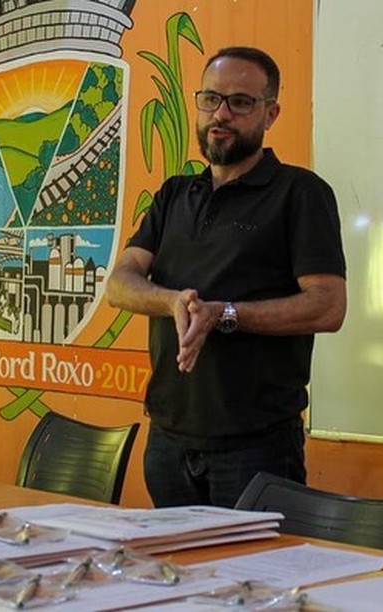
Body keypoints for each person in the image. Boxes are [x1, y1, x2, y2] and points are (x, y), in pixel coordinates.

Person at [105, 46, 346, 508]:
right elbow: (120, 282)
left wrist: (224, 314)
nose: (221, 114)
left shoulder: (300, 194)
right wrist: (172, 301)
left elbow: (328, 305)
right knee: (178, 578)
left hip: (256, 449)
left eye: (240, 102)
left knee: (254, 579)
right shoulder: (175, 194)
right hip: (168, 443)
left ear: (270, 113)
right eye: (210, 99)